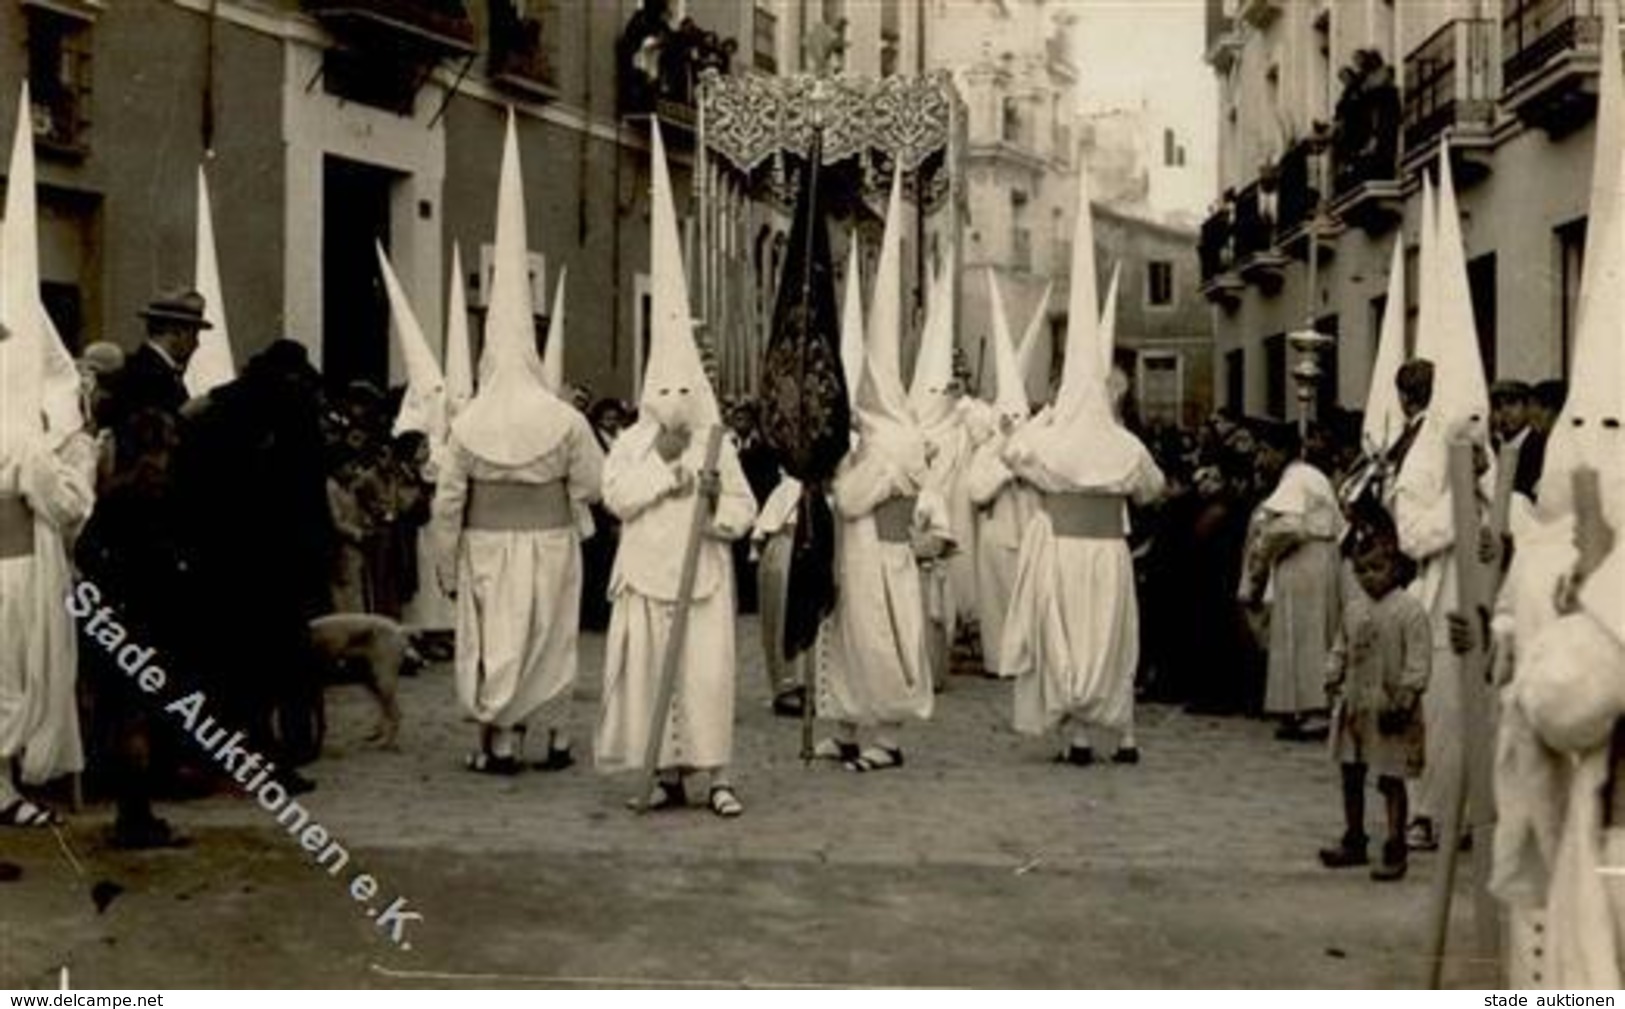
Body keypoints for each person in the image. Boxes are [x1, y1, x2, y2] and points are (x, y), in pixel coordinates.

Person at [595, 121, 756, 815]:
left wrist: (716, 504)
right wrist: (663, 471)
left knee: (706, 675)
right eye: (662, 393)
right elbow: (614, 499)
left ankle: (714, 772)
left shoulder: (718, 441)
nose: (673, 404)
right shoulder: (632, 442)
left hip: (703, 578)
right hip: (646, 575)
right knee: (649, 678)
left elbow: (744, 511)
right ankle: (662, 773)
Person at [1001, 186, 1166, 766]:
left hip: (1066, 553)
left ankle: (1077, 735)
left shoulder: (1051, 439)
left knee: (1069, 637)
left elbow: (1013, 454)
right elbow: (1153, 488)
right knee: (1114, 636)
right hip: (1108, 552)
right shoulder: (1124, 443)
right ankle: (1121, 733)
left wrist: (1045, 417)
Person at [176, 340, 335, 792]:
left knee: (228, 661)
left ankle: (223, 753)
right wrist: (317, 555)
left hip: (220, 557)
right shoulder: (295, 410)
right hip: (278, 559)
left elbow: (187, 481)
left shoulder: (211, 407)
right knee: (282, 663)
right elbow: (308, 491)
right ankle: (276, 760)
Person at [74, 408, 192, 848]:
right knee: (140, 719)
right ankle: (137, 818)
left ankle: (132, 813)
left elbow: (87, 551)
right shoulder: (164, 494)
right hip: (151, 618)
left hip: (115, 616)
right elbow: (176, 561)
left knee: (124, 716)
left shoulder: (114, 493)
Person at [1320, 519, 1430, 881]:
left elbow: (1418, 660)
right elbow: (1341, 645)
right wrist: (1332, 672)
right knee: (1351, 772)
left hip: (1391, 709)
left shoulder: (1410, 610)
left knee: (1391, 777)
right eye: (1362, 570)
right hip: (1355, 706)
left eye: (1378, 568)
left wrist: (1408, 695)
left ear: (1395, 566)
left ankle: (1396, 844)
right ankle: (1354, 838)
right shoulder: (1353, 608)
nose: (1370, 577)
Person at [1245, 425, 1344, 741]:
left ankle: (1316, 710)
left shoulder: (1299, 479)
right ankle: (1298, 706)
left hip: (1307, 560)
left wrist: (1262, 549)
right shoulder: (1301, 478)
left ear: (1280, 452)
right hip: (1305, 561)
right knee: (1296, 634)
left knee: (1309, 636)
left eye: (1265, 452)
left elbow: (1289, 527)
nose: (1260, 460)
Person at [113, 290, 211, 431]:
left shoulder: (145, 368)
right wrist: (186, 413)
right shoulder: (150, 375)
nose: (196, 344)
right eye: (193, 334)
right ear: (175, 331)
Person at [750, 472, 807, 716]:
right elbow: (762, 533)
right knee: (782, 617)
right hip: (786, 545)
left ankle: (812, 685)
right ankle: (787, 686)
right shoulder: (789, 487)